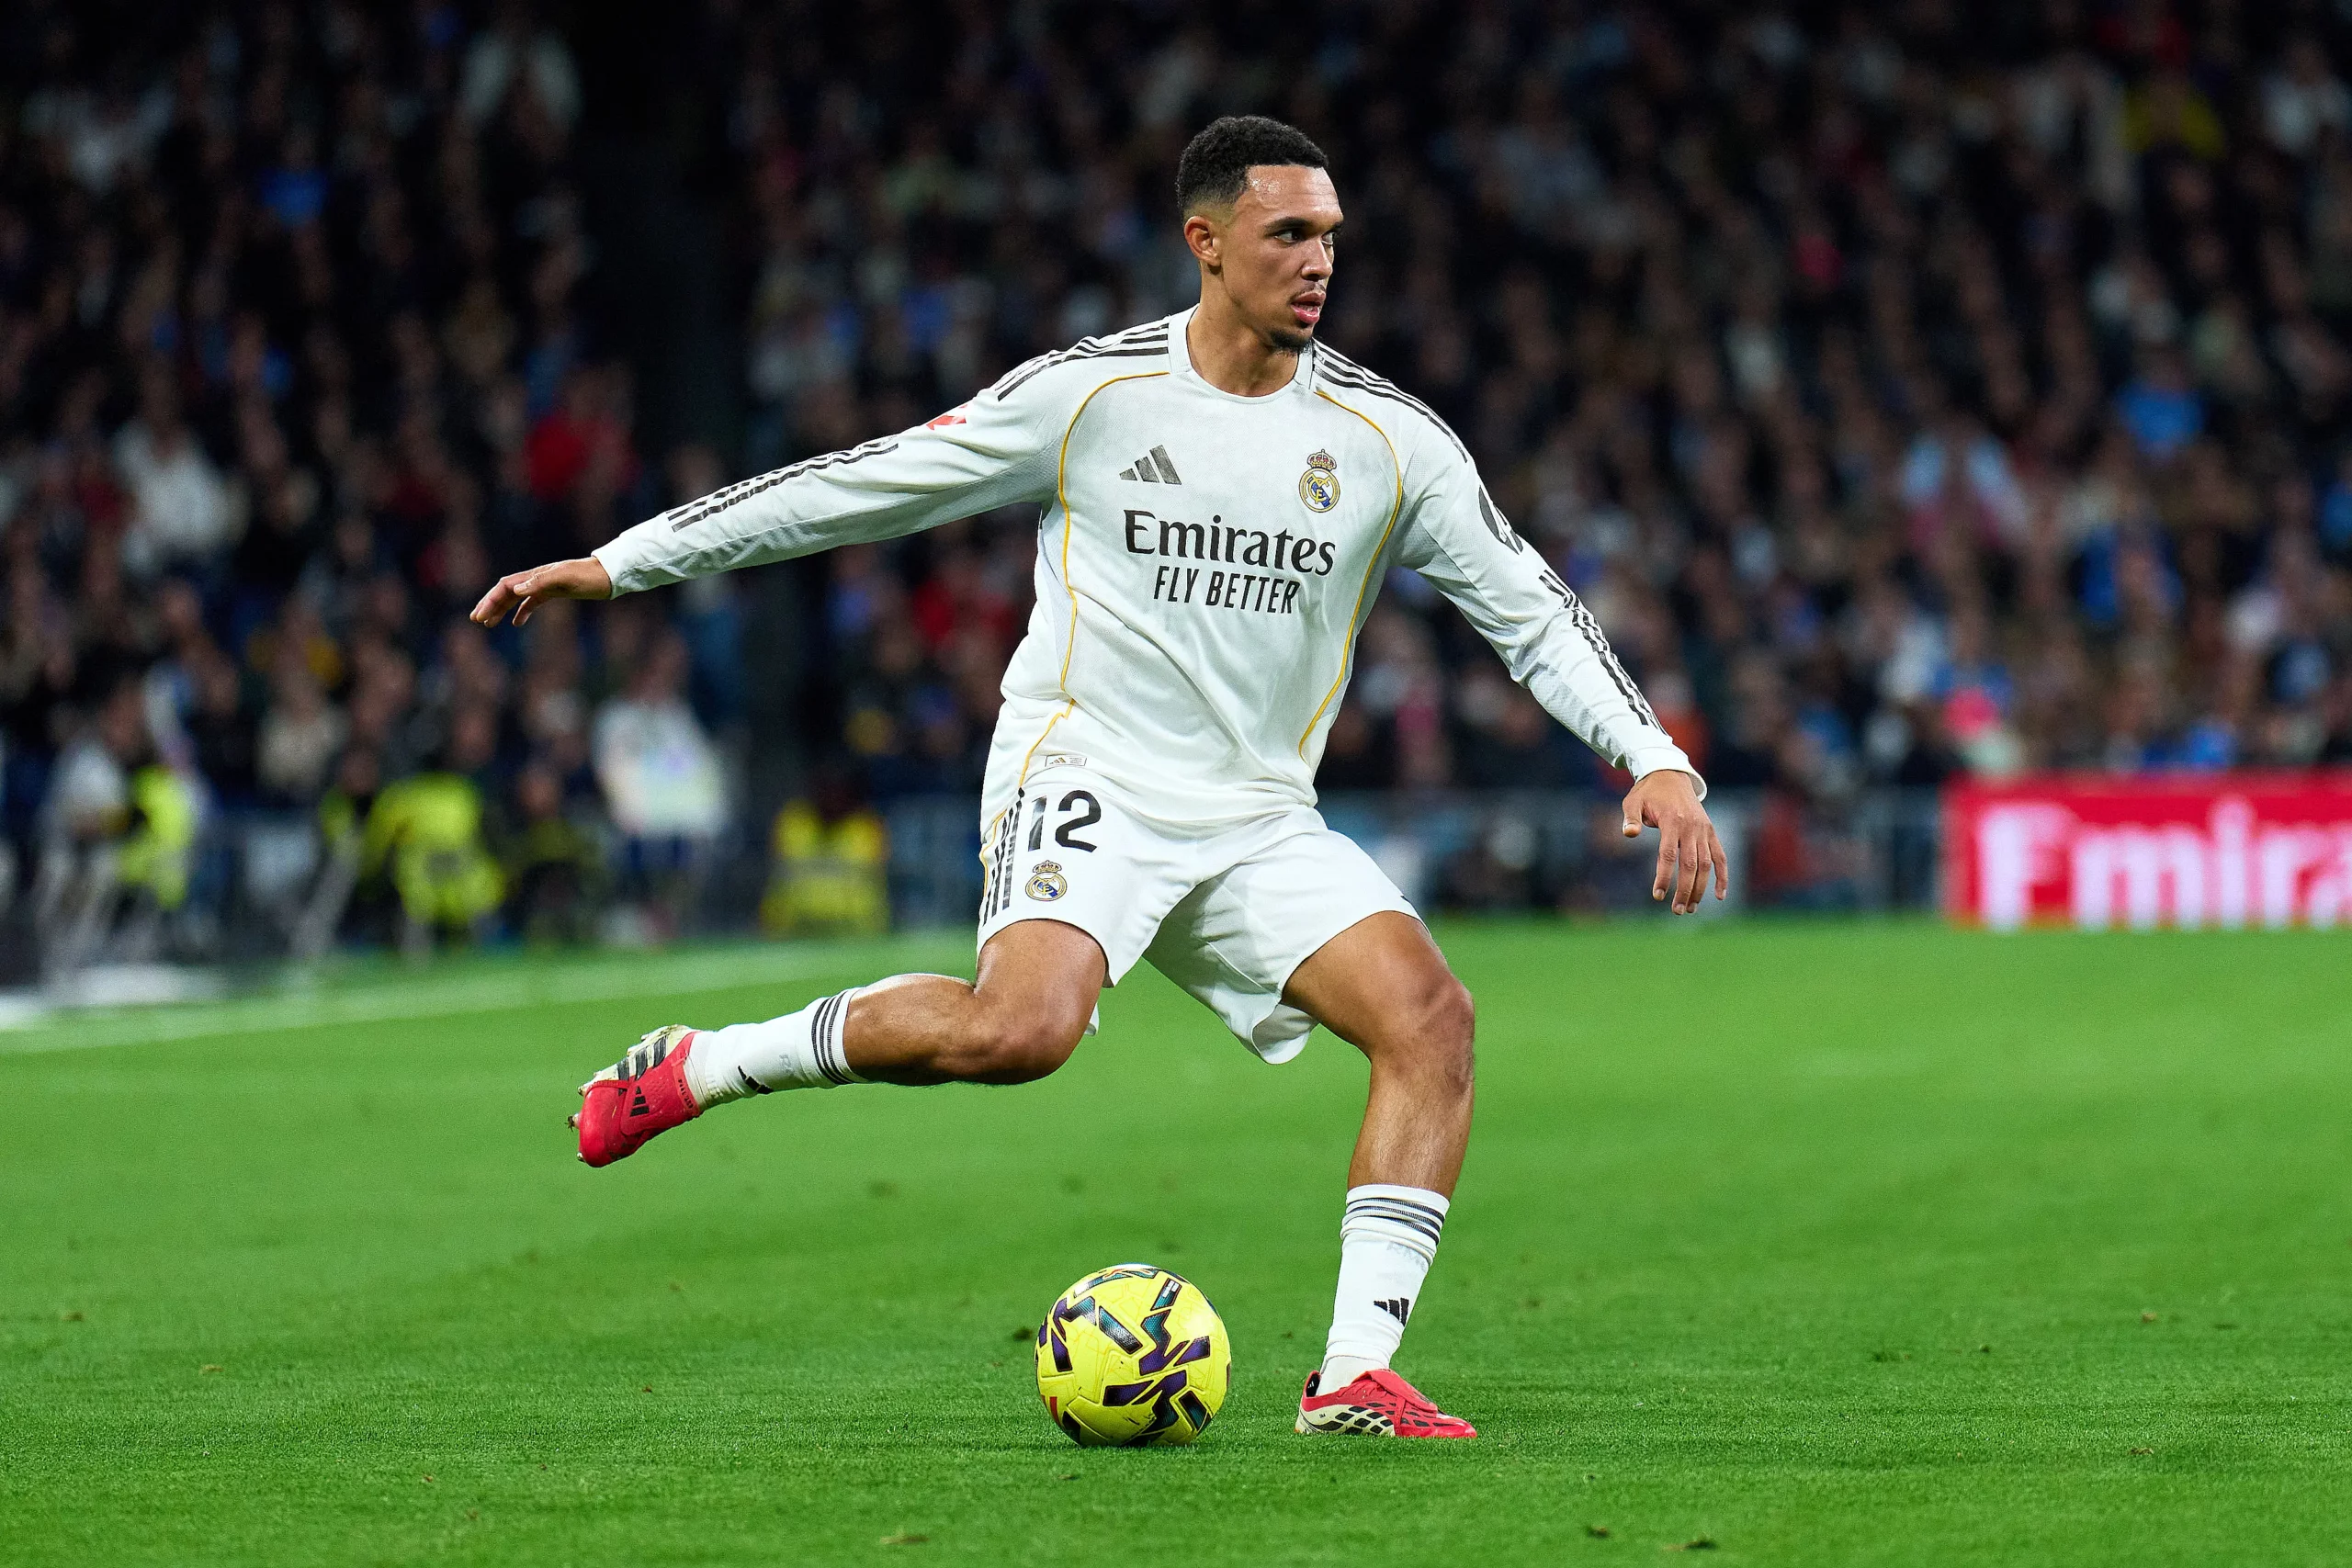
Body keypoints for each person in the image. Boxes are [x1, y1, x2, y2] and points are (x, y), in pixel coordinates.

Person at [473, 116, 1726, 1441]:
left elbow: (1528, 604)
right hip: (1093, 767)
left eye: (1331, 238)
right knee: (1021, 1032)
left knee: (1432, 1022)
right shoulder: (1091, 397)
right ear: (1206, 243)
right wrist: (622, 560)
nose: (1319, 263)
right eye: (1288, 234)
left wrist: (1653, 756)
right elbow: (861, 485)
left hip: (1254, 814)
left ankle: (1355, 1373)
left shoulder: (1386, 439)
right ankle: (708, 1062)